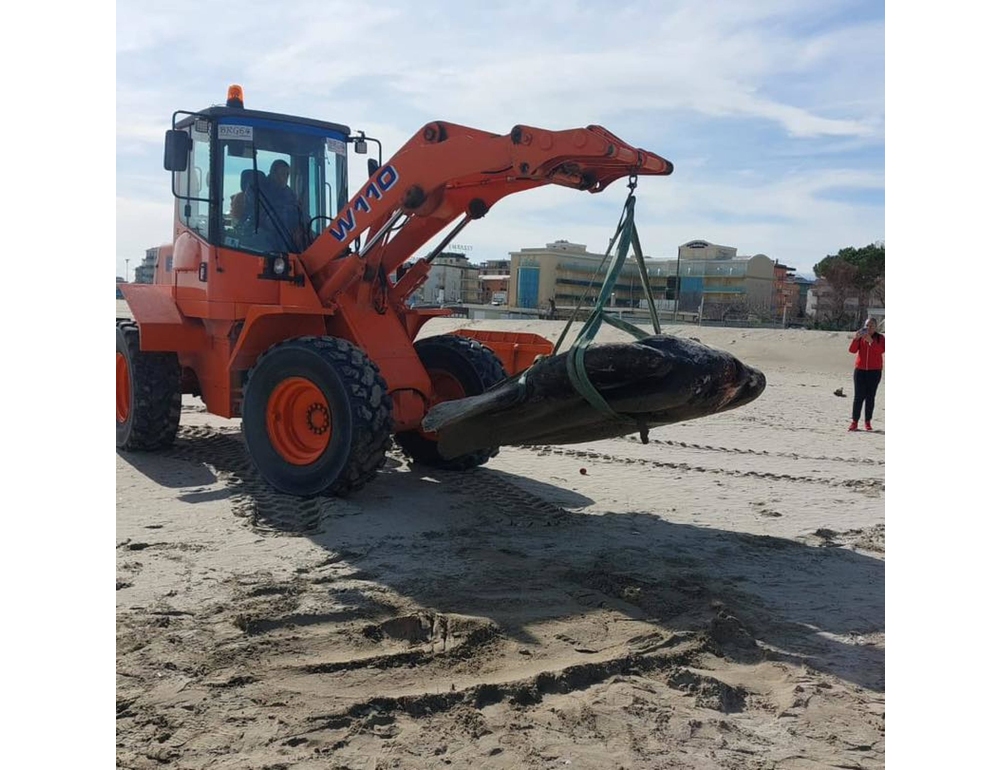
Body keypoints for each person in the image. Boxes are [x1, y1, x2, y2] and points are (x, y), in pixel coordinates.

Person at [847, 317, 885, 431]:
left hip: (874, 371)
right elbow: (852, 350)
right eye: (867, 325)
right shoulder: (861, 337)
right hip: (860, 370)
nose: (869, 328)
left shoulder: (880, 338)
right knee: (858, 397)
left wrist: (871, 342)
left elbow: (881, 351)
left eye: (871, 325)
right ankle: (854, 422)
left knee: (870, 397)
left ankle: (868, 422)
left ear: (876, 327)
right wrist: (856, 339)